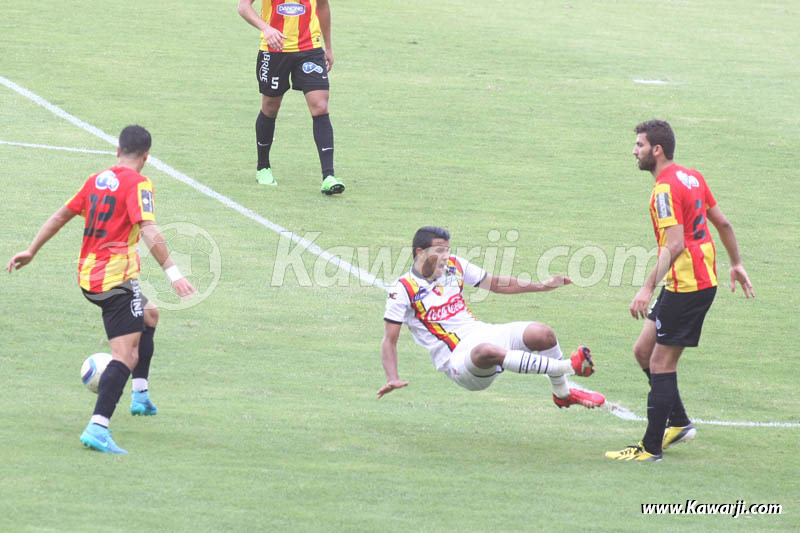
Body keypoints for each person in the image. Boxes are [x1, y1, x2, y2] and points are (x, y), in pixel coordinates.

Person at [6, 125, 196, 454]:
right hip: (115, 283)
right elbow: (149, 229)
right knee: (126, 355)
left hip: (89, 277)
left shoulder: (96, 179)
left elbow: (61, 214)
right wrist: (173, 273)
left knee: (150, 314)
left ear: (117, 150)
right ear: (147, 156)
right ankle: (98, 427)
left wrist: (32, 249)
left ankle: (140, 396)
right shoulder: (139, 184)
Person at [605, 120, 754, 462]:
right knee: (644, 351)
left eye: (639, 145)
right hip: (690, 281)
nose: (634, 151)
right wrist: (736, 263)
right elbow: (723, 223)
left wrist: (645, 288)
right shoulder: (693, 176)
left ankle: (651, 447)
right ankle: (680, 422)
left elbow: (674, 245)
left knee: (660, 362)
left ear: (656, 150)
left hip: (688, 286)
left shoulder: (663, 191)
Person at [379, 226, 606, 409]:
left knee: (543, 334)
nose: (445, 256)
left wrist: (542, 286)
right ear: (420, 252)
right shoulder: (403, 289)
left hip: (482, 333)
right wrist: (392, 377)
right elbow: (389, 340)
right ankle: (569, 366)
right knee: (486, 351)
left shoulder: (454, 266)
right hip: (458, 361)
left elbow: (495, 283)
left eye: (447, 250)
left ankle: (562, 394)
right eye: (439, 251)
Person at [237, 0, 345, 195]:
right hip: (274, 50)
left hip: (310, 49)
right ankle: (263, 168)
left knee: (320, 105)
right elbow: (243, 7)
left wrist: (328, 46)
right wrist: (266, 28)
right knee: (270, 106)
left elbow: (322, 6)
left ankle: (328, 176)